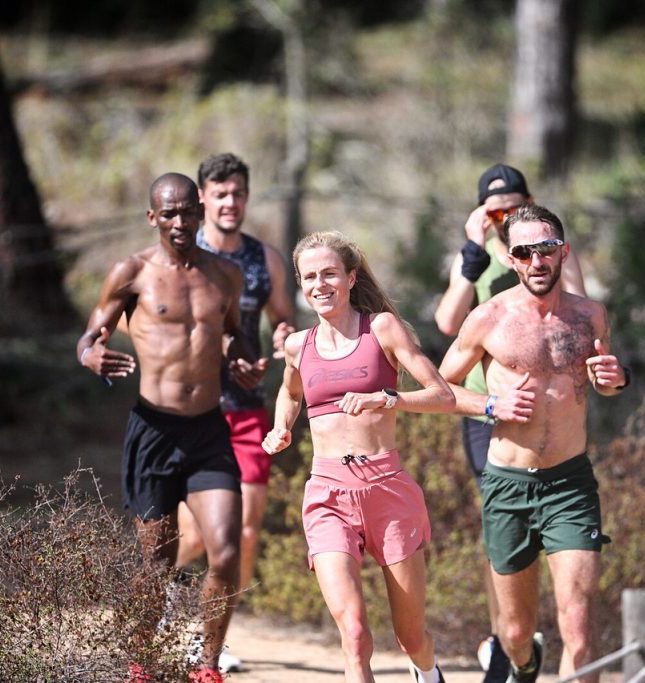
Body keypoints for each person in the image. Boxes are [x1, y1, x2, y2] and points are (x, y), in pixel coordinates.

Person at [76, 172, 257, 683]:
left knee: (225, 552)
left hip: (208, 432)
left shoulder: (226, 274)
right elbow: (90, 336)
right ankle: (141, 666)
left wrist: (242, 360)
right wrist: (91, 356)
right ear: (152, 217)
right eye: (169, 213)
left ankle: (207, 668)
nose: (180, 221)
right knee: (156, 563)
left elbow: (234, 334)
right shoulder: (131, 272)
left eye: (187, 211)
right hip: (153, 433)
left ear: (200, 212)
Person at [438, 204, 627, 683]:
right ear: (511, 259)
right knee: (517, 632)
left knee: (578, 625)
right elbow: (439, 388)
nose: (537, 260)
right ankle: (525, 666)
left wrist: (616, 380)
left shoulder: (591, 316)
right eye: (524, 252)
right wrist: (490, 405)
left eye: (546, 248)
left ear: (564, 252)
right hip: (508, 486)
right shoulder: (488, 318)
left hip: (570, 484)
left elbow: (600, 383)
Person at [261, 231, 456, 683]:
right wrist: (280, 427)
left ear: (350, 278)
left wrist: (385, 399)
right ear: (300, 284)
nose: (320, 284)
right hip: (327, 494)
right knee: (353, 635)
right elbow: (291, 393)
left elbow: (442, 396)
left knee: (411, 638)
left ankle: (428, 674)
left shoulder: (381, 328)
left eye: (329, 274)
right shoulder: (298, 345)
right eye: (310, 276)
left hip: (387, 489)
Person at [174, 152, 296, 673]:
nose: (230, 202)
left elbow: (284, 316)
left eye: (238, 193)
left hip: (248, 410)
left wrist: (286, 339)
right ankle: (166, 614)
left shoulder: (263, 258)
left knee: (244, 531)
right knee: (194, 536)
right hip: (195, 409)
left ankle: (215, 637)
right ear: (203, 197)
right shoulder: (185, 253)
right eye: (221, 194)